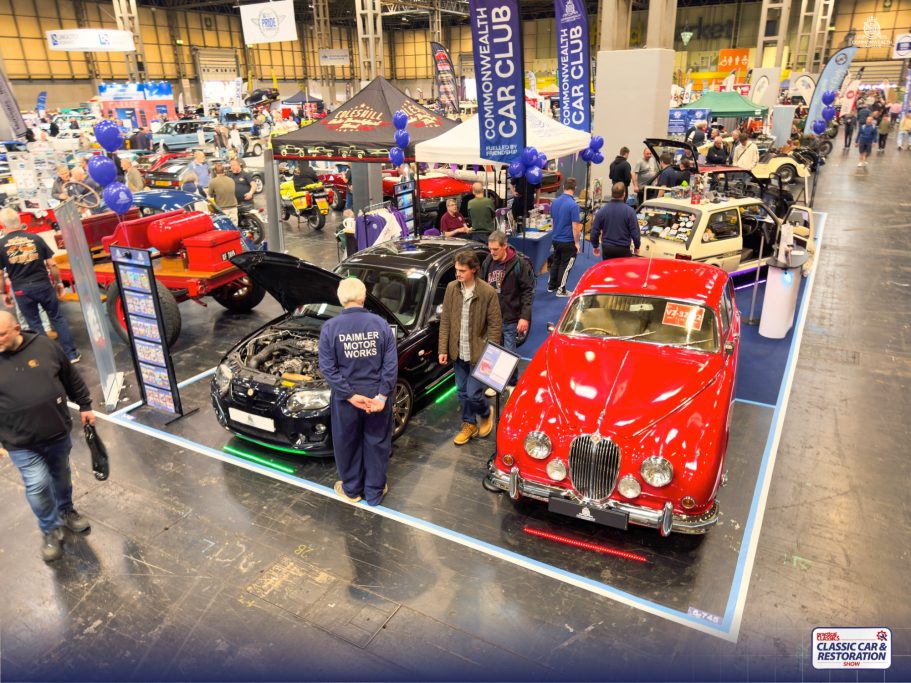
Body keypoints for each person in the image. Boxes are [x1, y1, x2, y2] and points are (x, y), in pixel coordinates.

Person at [0, 310, 94, 562]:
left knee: (61, 476)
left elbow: (70, 377)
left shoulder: (44, 347)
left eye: (1, 334)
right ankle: (50, 529)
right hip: (19, 442)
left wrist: (85, 405)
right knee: (38, 484)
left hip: (56, 433)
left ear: (17, 329)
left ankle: (66, 511)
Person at [318, 277, 397, 506]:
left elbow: (328, 368)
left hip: (346, 401)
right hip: (376, 399)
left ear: (341, 298)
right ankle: (374, 493)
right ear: (364, 297)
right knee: (377, 443)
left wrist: (350, 395)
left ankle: (352, 491)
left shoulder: (330, 328)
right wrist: (382, 396)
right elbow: (391, 365)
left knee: (347, 444)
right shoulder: (381, 324)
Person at [0, 208, 80, 363]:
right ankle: (72, 354)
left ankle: (48, 358)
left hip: (22, 289)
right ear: (20, 223)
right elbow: (52, 264)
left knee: (34, 324)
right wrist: (58, 283)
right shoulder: (36, 238)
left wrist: (4, 293)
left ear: (3, 225)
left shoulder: (1, 244)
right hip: (43, 285)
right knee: (57, 318)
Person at [438, 251, 501, 445]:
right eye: (456, 270)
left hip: (479, 354)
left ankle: (484, 412)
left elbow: (495, 325)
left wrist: (491, 354)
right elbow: (446, 320)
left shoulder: (487, 292)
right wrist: (443, 349)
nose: (458, 274)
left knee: (473, 394)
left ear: (474, 270)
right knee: (462, 392)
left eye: (462, 271)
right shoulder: (451, 288)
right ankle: (469, 423)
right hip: (458, 353)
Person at [480, 230, 534, 393]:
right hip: (492, 317)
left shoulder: (519, 264)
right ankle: (496, 383)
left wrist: (524, 317)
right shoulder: (488, 261)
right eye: (490, 249)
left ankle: (511, 383)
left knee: (508, 351)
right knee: (494, 349)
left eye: (495, 249)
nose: (492, 252)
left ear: (505, 246)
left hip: (510, 316)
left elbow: (527, 291)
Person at [547, 177, 581, 297]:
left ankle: (551, 286)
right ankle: (561, 290)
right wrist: (577, 243)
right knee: (565, 266)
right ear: (574, 189)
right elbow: (575, 227)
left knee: (556, 262)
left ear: (563, 187)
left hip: (555, 239)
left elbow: (553, 221)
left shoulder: (555, 202)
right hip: (567, 240)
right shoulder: (574, 205)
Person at [590, 182, 641, 260]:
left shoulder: (601, 211)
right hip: (623, 249)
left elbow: (594, 231)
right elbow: (635, 232)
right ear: (624, 194)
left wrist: (595, 246)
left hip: (607, 249)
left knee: (608, 271)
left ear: (611, 194)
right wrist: (637, 247)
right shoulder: (630, 211)